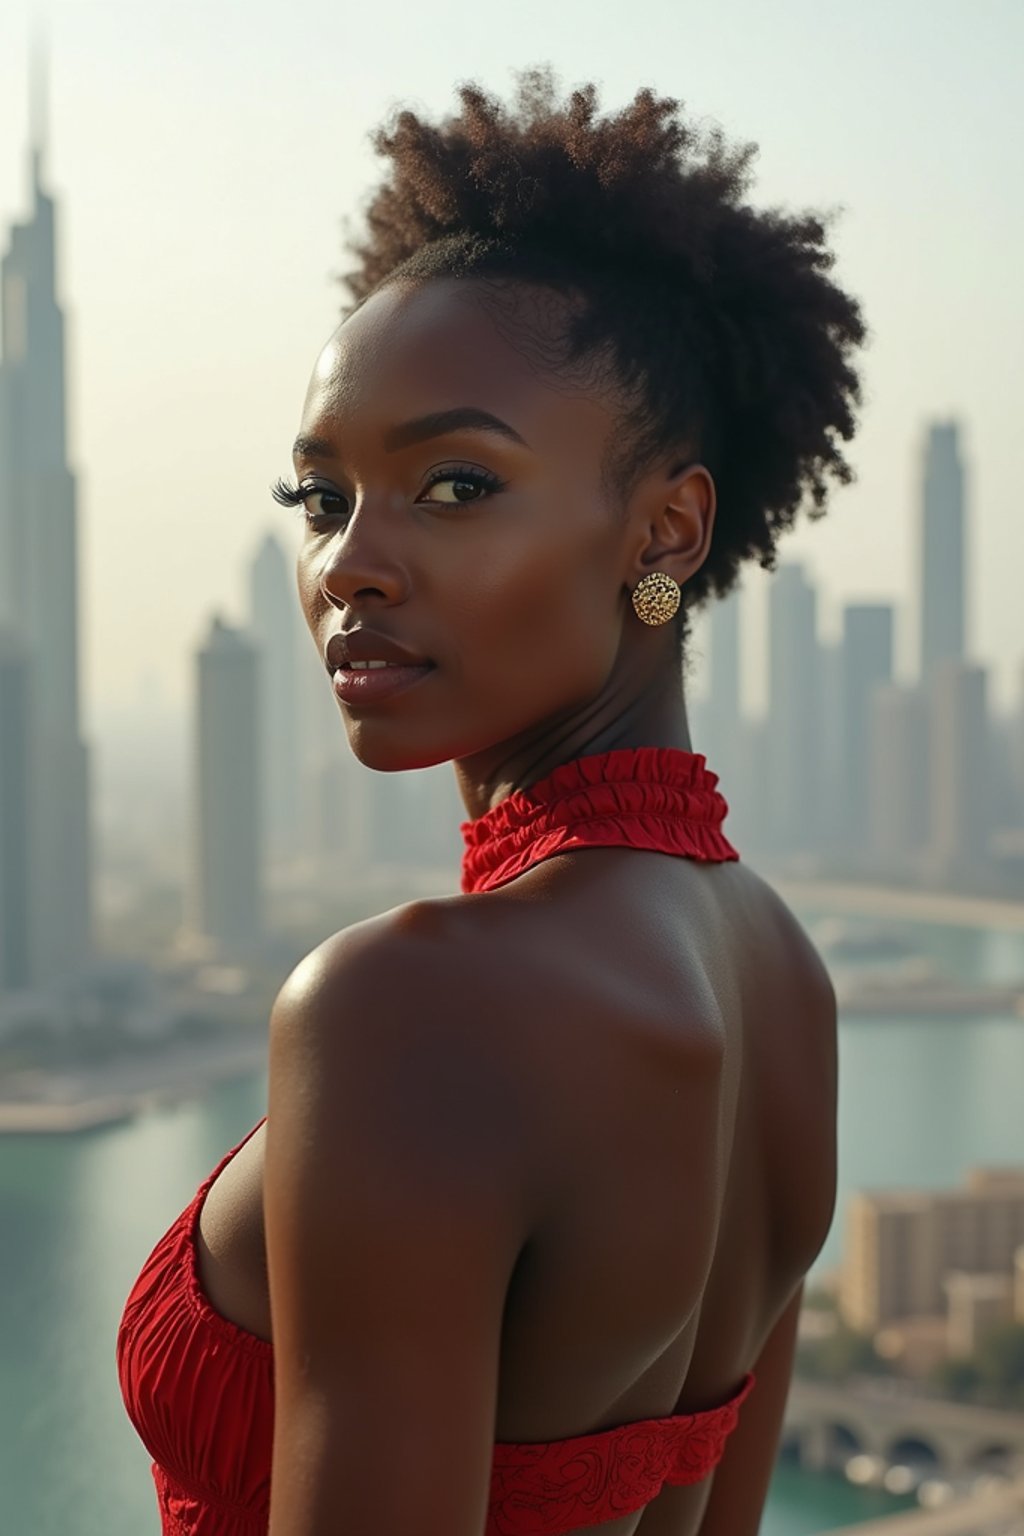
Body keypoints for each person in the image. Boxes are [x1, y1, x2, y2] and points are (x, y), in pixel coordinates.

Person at [117, 65, 863, 1536]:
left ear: (666, 529)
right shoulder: (786, 980)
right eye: (319, 499)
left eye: (453, 484)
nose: (350, 566)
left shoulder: (403, 1011)